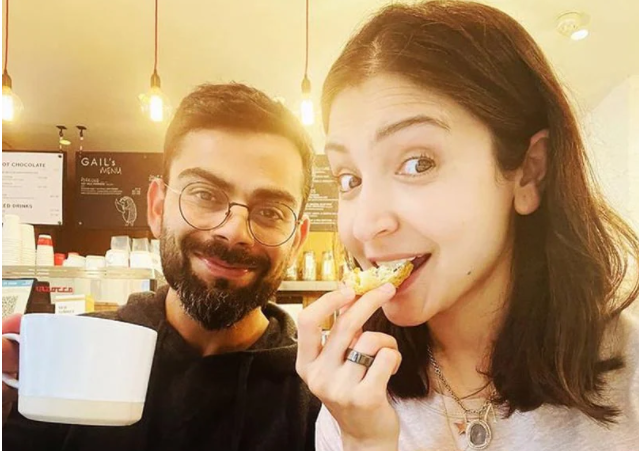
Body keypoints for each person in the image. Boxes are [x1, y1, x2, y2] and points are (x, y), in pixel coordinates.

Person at [295, 2, 639, 450]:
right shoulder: (353, 397)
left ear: (529, 173)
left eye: (418, 163)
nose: (364, 225)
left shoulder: (629, 377)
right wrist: (364, 441)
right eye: (349, 179)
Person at [3, 83, 321, 451]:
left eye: (271, 212)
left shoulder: (322, 396)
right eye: (204, 194)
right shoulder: (75, 355)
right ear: (157, 208)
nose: (234, 232)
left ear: (297, 240)